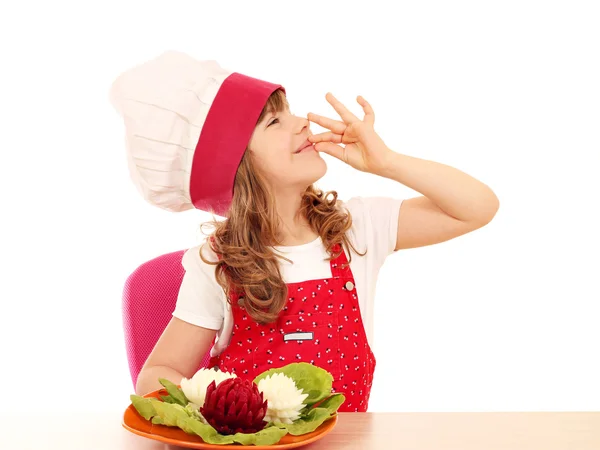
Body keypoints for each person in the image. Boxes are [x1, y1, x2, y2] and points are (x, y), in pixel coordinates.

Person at [110, 50, 499, 412]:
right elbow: (158, 372)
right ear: (236, 165)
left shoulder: (355, 229)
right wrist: (212, 416)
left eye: (291, 113)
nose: (303, 123)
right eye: (275, 121)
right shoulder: (217, 262)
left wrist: (387, 162)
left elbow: (476, 208)